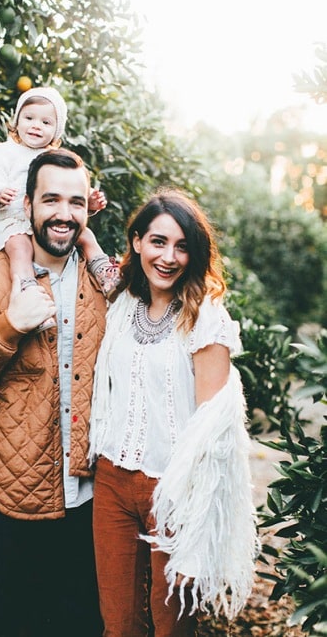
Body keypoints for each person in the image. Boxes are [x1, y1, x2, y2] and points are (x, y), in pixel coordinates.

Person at [0, 148, 114, 637]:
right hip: (6, 501)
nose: (64, 214)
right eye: (51, 199)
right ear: (29, 204)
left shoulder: (105, 286)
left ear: (87, 209)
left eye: (76, 202)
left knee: (79, 624)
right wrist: (10, 327)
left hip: (87, 502)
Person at [89, 189, 258, 636]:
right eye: (159, 242)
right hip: (111, 484)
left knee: (171, 628)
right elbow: (88, 253)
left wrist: (198, 543)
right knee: (118, 626)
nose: (169, 257)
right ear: (138, 242)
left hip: (175, 496)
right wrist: (84, 218)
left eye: (183, 246)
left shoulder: (206, 319)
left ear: (196, 255)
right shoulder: (122, 303)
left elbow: (214, 437)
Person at [0, 86, 106, 290]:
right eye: (29, 118)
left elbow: (70, 186)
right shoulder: (4, 152)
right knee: (20, 250)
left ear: (57, 130)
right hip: (14, 222)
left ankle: (107, 276)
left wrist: (88, 201)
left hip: (48, 222)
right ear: (17, 120)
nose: (36, 126)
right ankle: (28, 292)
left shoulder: (54, 158)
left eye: (46, 122)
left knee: (87, 236)